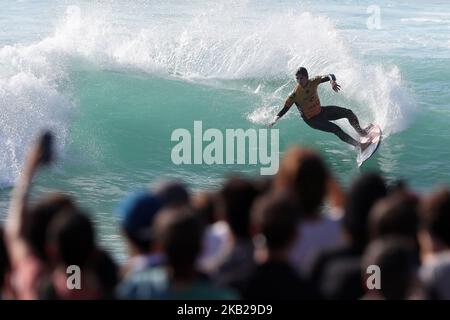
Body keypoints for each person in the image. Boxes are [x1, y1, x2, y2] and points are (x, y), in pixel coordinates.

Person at [269, 67, 371, 150]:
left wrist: (332, 82)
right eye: (297, 78)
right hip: (312, 120)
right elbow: (285, 109)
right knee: (336, 129)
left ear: (307, 77)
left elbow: (330, 75)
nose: (299, 81)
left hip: (321, 111)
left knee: (348, 113)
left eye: (301, 78)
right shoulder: (295, 94)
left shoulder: (313, 81)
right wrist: (275, 120)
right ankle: (359, 146)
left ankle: (361, 132)